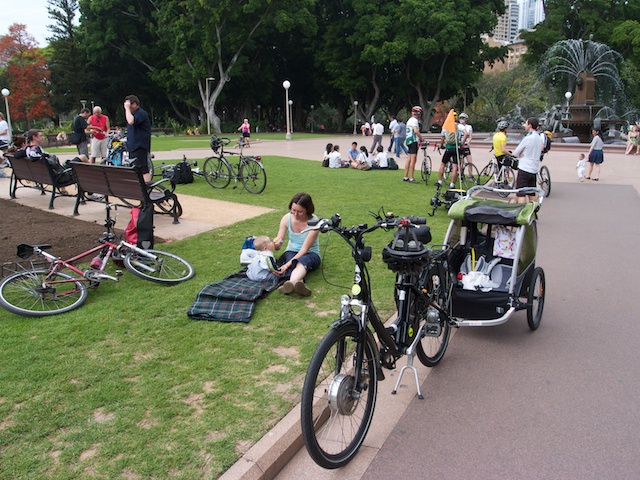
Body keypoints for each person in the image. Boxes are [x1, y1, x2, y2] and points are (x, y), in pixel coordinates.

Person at [274, 192, 321, 296]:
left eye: (300, 212)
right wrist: (277, 244)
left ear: (307, 210)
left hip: (310, 253)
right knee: (294, 261)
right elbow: (279, 238)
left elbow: (304, 250)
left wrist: (287, 264)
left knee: (300, 261)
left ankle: (290, 283)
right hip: (291, 251)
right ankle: (298, 283)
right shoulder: (286, 218)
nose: (295, 214)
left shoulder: (314, 222)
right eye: (293, 210)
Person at [512, 117, 543, 203]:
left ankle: (522, 209)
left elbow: (516, 152)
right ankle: (534, 209)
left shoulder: (528, 138)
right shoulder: (539, 138)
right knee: (531, 193)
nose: (525, 126)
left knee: (521, 193)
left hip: (524, 168)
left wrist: (520, 154)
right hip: (534, 169)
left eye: (526, 124)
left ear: (530, 125)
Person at [124, 95, 152, 183]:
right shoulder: (132, 114)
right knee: (135, 169)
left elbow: (131, 121)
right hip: (132, 146)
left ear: (134, 104)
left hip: (139, 146)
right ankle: (139, 187)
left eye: (129, 105)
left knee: (143, 169)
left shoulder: (141, 113)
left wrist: (127, 109)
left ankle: (146, 187)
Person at [436, 112, 459, 189]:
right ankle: (452, 184)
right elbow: (465, 133)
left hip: (448, 148)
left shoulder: (446, 126)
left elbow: (442, 137)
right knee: (455, 166)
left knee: (443, 164)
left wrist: (441, 145)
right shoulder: (459, 126)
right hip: (456, 148)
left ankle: (439, 181)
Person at [403, 106, 423, 182]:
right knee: (413, 160)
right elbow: (415, 131)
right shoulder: (415, 121)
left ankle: (405, 176)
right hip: (413, 141)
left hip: (408, 140)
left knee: (409, 159)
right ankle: (411, 177)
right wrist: (421, 138)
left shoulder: (409, 120)